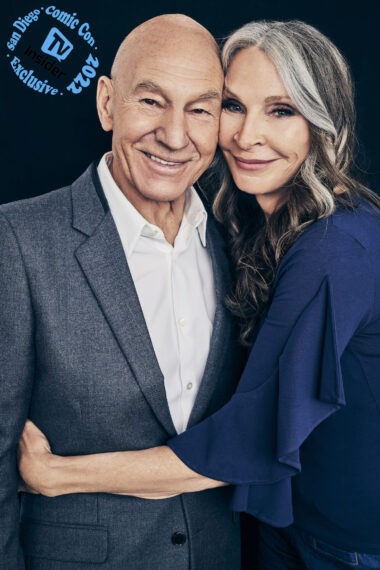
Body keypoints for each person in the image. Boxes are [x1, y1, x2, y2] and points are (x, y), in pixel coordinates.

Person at [19, 19, 380, 569]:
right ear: (108, 104)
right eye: (233, 106)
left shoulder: (335, 247)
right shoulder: (251, 226)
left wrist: (59, 474)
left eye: (281, 111)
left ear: (322, 124)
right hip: (283, 527)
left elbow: (248, 438)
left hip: (344, 546)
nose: (246, 135)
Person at [0, 14, 246, 570]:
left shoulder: (243, 242)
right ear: (107, 102)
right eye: (152, 101)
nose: (176, 136)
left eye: (200, 109)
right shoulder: (16, 241)